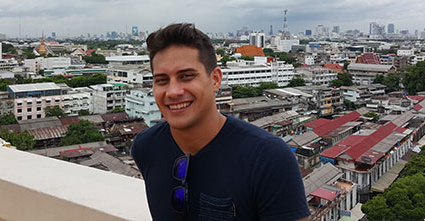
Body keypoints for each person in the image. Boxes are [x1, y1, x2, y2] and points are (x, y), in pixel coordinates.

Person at [132, 23, 310, 220]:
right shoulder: (146, 147)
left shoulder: (268, 158)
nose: (173, 92)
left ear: (215, 79)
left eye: (187, 76)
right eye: (162, 80)